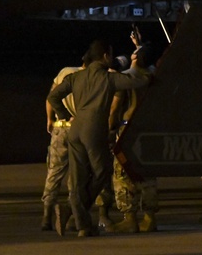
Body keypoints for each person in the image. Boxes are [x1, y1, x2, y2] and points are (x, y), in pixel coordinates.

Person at [48, 39, 151, 237]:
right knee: (102, 172)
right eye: (110, 55)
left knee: (77, 181)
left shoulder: (75, 77)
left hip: (75, 130)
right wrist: (139, 66)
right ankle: (71, 211)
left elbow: (53, 97)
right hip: (94, 130)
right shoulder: (108, 78)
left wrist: (64, 116)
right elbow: (139, 81)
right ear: (105, 56)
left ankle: (83, 226)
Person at [107, 41, 161, 233]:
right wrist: (141, 46)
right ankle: (150, 217)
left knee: (123, 174)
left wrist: (109, 129)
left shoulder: (128, 77)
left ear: (136, 58)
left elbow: (115, 108)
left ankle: (129, 218)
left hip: (129, 129)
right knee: (148, 175)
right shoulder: (154, 75)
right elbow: (149, 60)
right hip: (150, 129)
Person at [41, 58, 84, 233]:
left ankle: (46, 216)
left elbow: (51, 97)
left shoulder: (65, 72)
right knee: (77, 174)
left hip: (61, 129)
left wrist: (50, 119)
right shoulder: (91, 77)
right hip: (78, 129)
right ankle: (72, 214)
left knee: (54, 172)